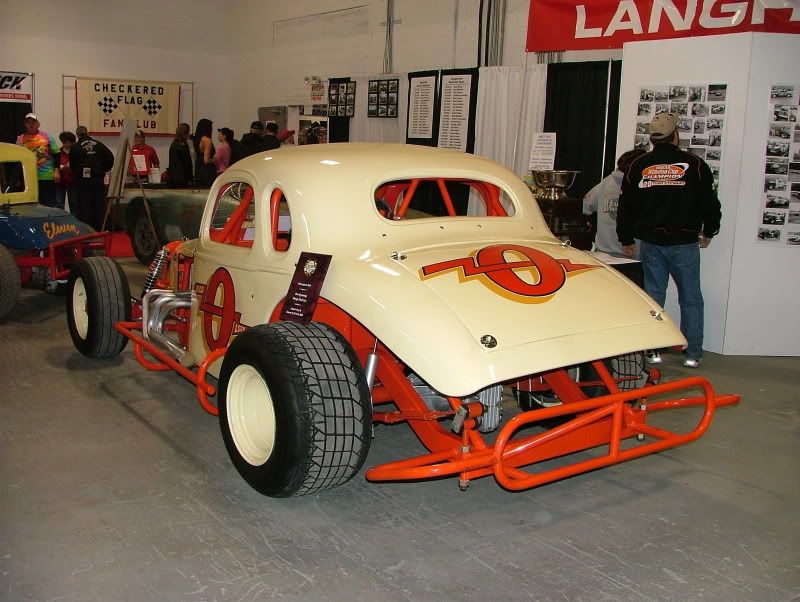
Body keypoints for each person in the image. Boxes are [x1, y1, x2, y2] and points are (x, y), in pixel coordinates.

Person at [617, 112, 721, 368]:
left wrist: (626, 238)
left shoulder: (638, 166)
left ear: (653, 138)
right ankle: (693, 353)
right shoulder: (695, 165)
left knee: (653, 297)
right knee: (691, 297)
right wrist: (709, 231)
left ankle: (653, 350)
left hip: (651, 242)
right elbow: (709, 203)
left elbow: (626, 206)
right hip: (684, 242)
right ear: (676, 134)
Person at [583, 148, 646, 257]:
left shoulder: (605, 184)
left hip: (604, 253)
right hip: (634, 253)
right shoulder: (642, 185)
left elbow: (586, 206)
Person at [69, 125, 114, 230]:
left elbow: (72, 165)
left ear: (77, 135)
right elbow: (110, 157)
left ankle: (86, 230)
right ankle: (100, 229)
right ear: (87, 133)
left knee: (85, 205)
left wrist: (77, 174)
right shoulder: (99, 144)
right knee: (99, 205)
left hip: (84, 181)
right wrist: (103, 169)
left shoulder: (76, 146)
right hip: (98, 179)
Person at [16, 113, 60, 207]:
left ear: (38, 124)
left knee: (48, 205)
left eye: (33, 122)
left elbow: (57, 154)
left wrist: (56, 171)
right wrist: (18, 176)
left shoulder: (47, 137)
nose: (31, 124)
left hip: (46, 176)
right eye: (28, 122)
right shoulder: (20, 139)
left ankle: (49, 222)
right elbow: (17, 159)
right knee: (30, 205)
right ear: (25, 124)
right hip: (28, 178)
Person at [56, 131, 78, 214]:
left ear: (72, 142)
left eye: (66, 142)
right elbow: (55, 165)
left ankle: (74, 222)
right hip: (60, 182)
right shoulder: (58, 152)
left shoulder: (77, 152)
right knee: (59, 203)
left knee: (74, 203)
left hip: (73, 182)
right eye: (63, 142)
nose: (64, 144)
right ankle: (60, 223)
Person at [193, 118, 216, 187]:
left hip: (198, 168)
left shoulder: (196, 139)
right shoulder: (207, 140)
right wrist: (215, 160)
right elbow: (206, 160)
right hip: (207, 171)